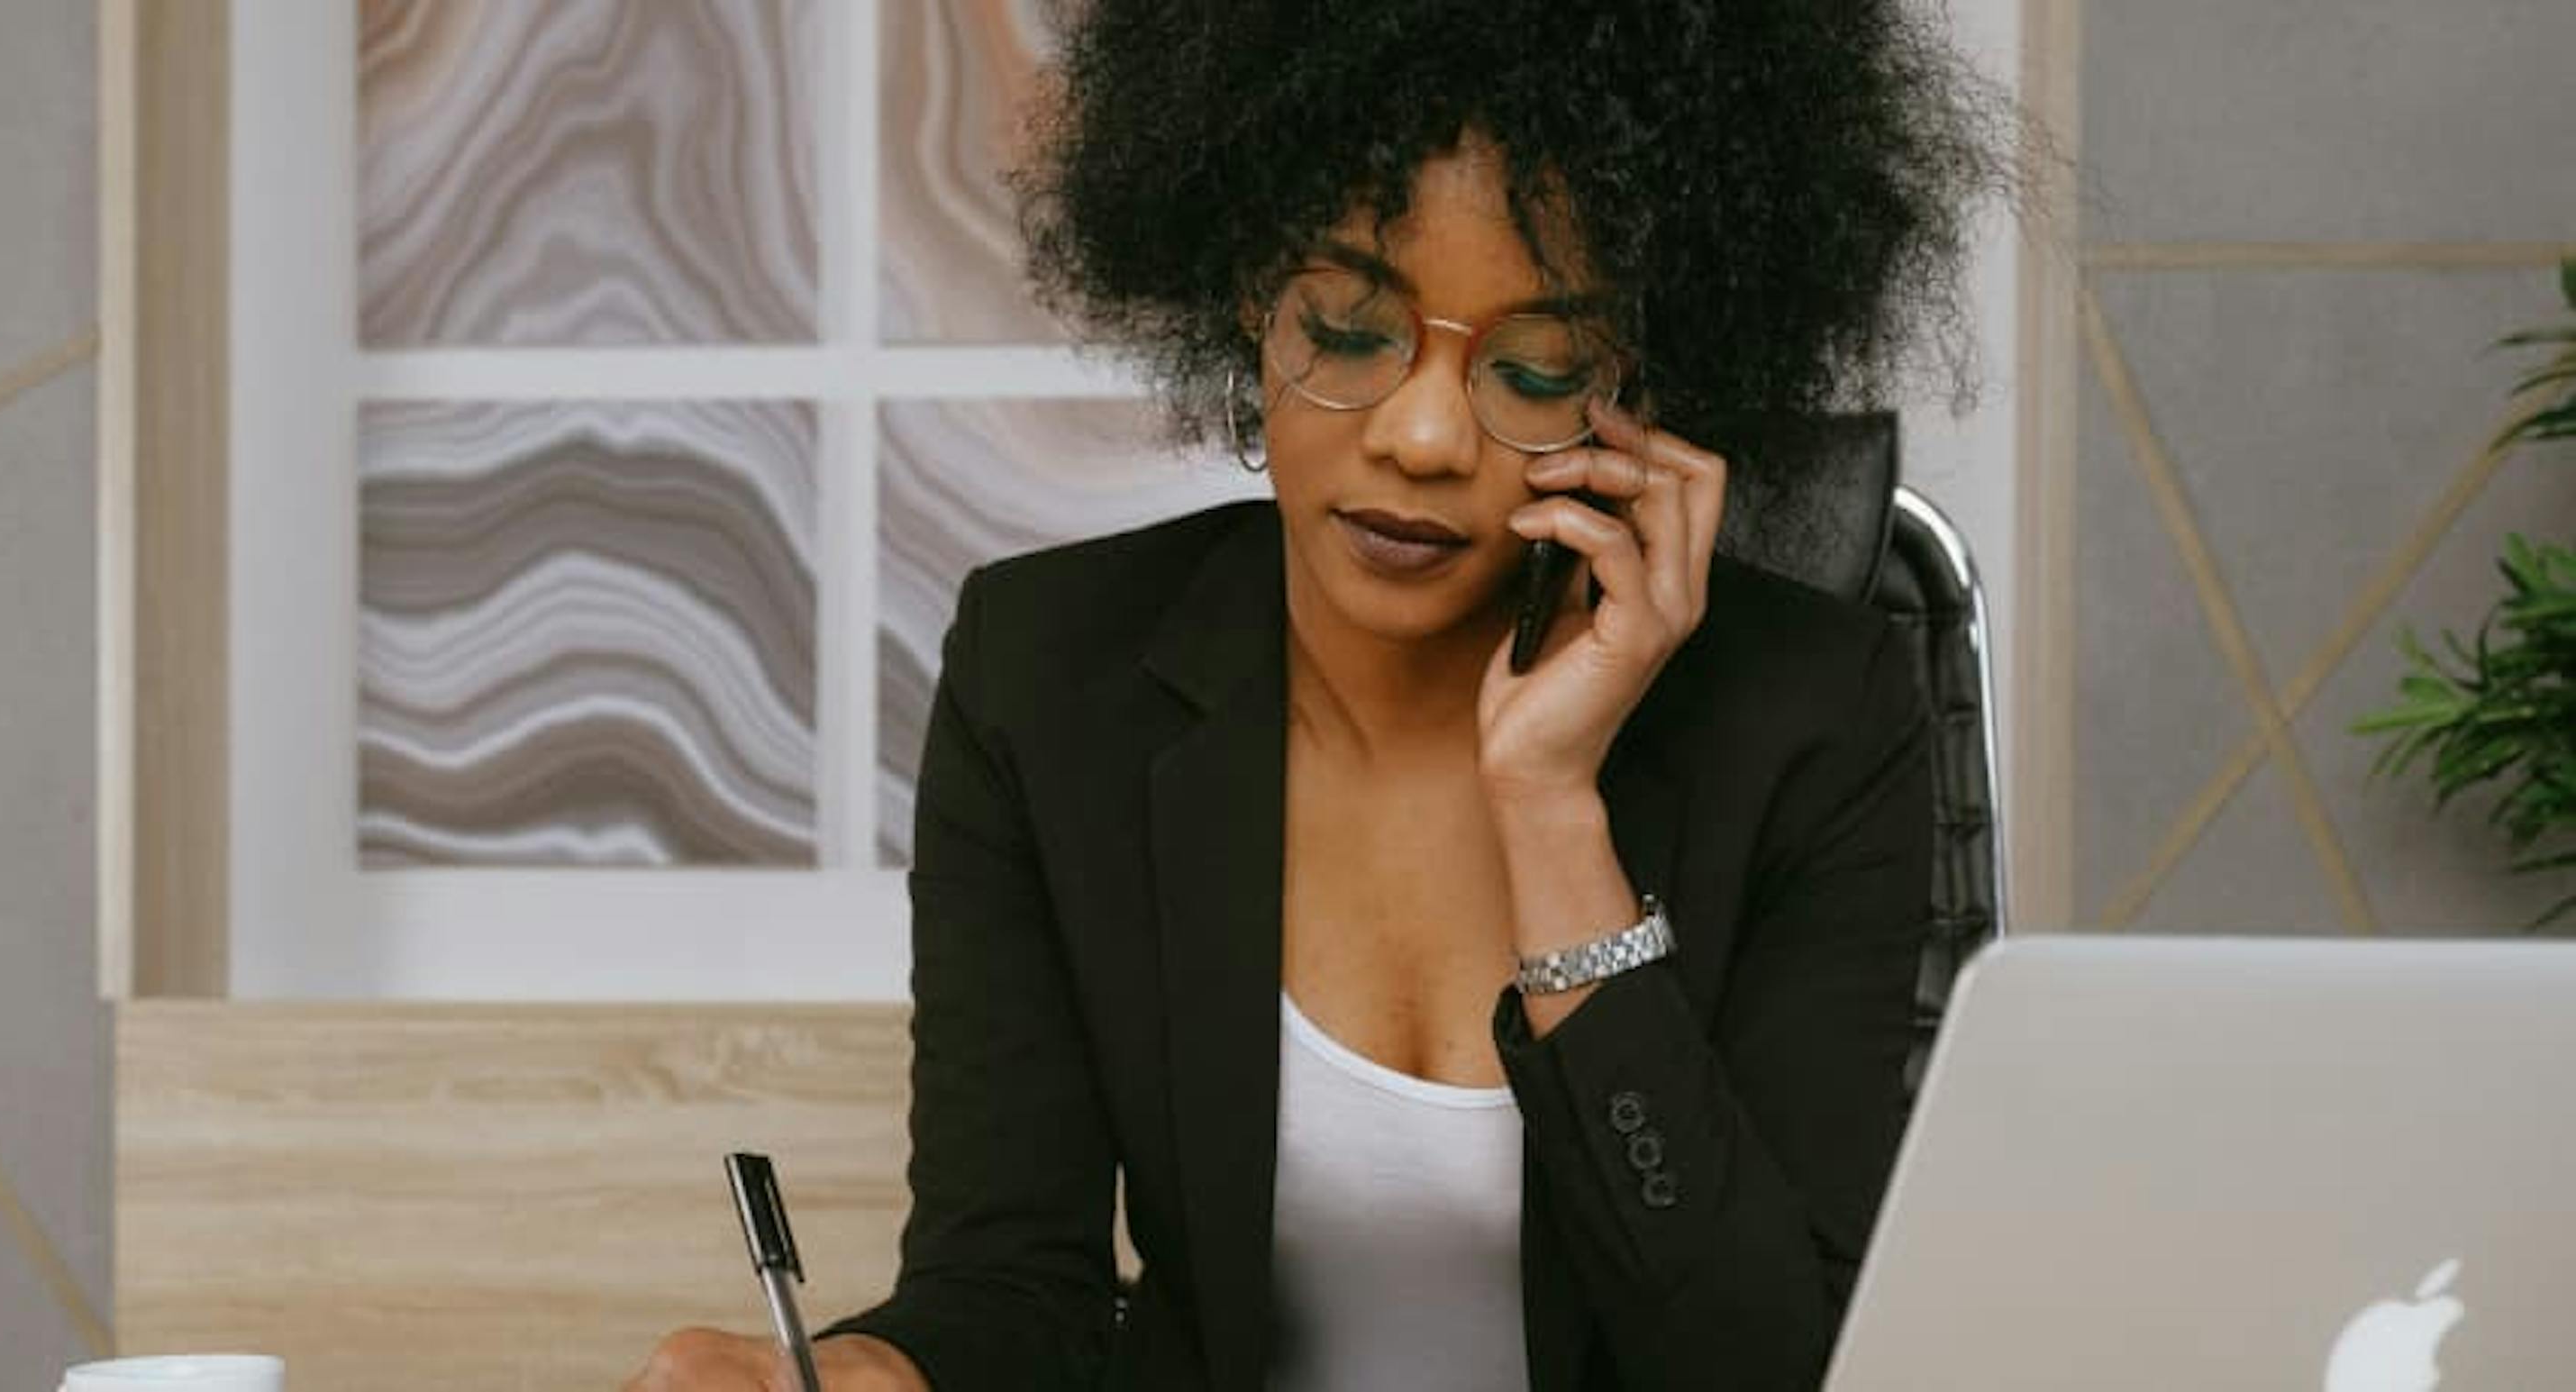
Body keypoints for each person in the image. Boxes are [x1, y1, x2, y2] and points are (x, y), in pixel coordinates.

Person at [629, 1, 2006, 1387]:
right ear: (1249, 297)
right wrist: (873, 1374)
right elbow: (1010, 1290)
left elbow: (1764, 1362)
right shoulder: (1050, 681)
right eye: (1349, 331)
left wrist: (1550, 813)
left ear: (1634, 387)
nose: (1419, 436)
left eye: (1533, 369)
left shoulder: (1814, 719)